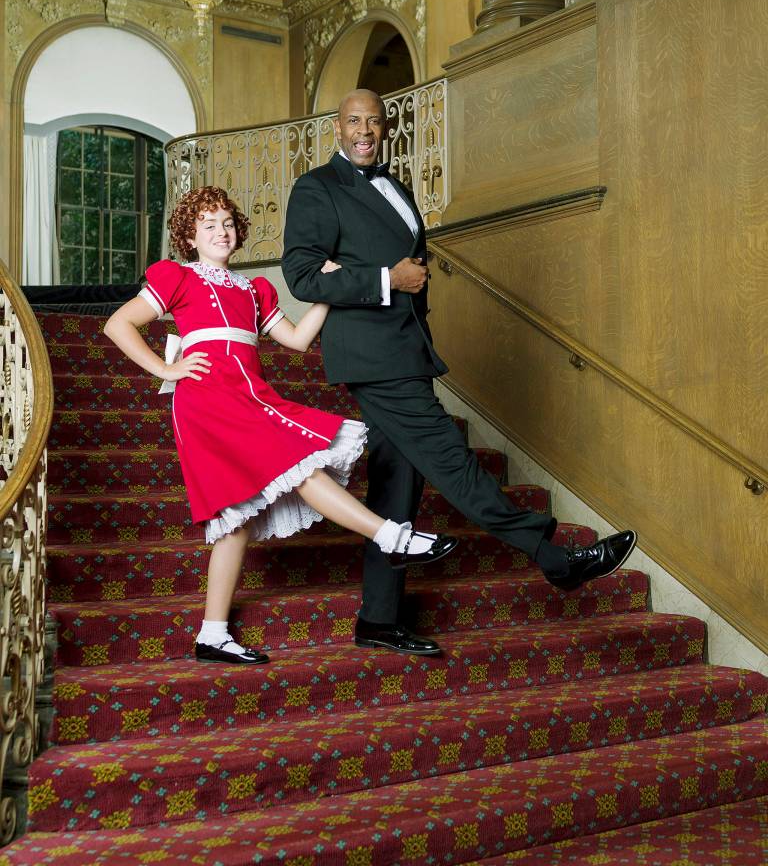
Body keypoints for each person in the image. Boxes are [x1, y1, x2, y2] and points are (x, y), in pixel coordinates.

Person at [282, 88, 637, 657]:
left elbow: (410, 264)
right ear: (336, 129)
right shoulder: (318, 188)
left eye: (373, 121)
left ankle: (378, 618)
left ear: (385, 128)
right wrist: (384, 281)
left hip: (409, 350)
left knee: (400, 485)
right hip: (373, 357)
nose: (364, 131)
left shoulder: (396, 186)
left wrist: (411, 296)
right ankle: (554, 559)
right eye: (353, 121)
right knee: (451, 456)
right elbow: (301, 274)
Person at [103, 185, 457, 666]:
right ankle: (391, 536)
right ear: (189, 235)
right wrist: (168, 370)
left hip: (252, 395)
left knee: (238, 519)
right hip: (208, 401)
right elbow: (118, 324)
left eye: (227, 223)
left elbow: (295, 340)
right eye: (208, 225)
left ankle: (212, 633)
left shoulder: (255, 289)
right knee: (301, 464)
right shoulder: (176, 277)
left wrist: (328, 294)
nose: (220, 231)